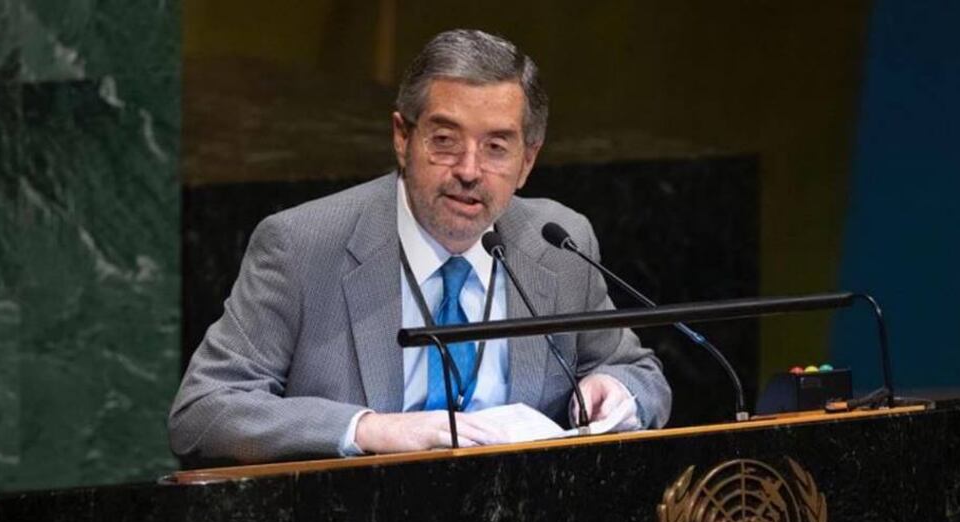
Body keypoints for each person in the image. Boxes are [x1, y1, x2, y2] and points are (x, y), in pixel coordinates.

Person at [169, 29, 671, 465]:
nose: (470, 170)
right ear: (402, 138)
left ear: (527, 161)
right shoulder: (303, 246)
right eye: (446, 141)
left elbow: (638, 372)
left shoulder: (558, 242)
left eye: (497, 147)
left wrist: (619, 391)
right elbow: (204, 411)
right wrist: (368, 430)